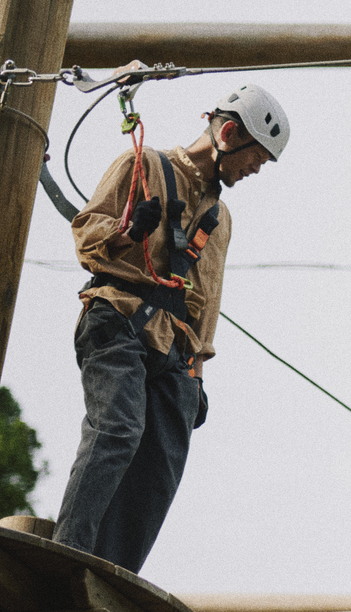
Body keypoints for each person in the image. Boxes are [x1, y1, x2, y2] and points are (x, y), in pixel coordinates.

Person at [51, 84, 290, 572]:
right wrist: (128, 231)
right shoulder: (142, 165)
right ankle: (67, 557)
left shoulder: (218, 218)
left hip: (176, 348)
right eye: (257, 158)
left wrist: (197, 374)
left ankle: (110, 576)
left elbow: (208, 301)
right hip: (117, 318)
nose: (256, 170)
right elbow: (86, 239)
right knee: (118, 430)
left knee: (159, 469)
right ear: (228, 133)